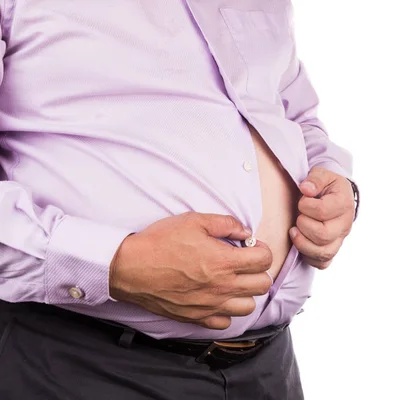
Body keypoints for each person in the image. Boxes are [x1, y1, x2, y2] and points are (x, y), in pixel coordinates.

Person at [0, 1, 359, 399]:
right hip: (84, 366)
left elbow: (293, 112)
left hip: (269, 369)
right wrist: (117, 265)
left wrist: (335, 183)